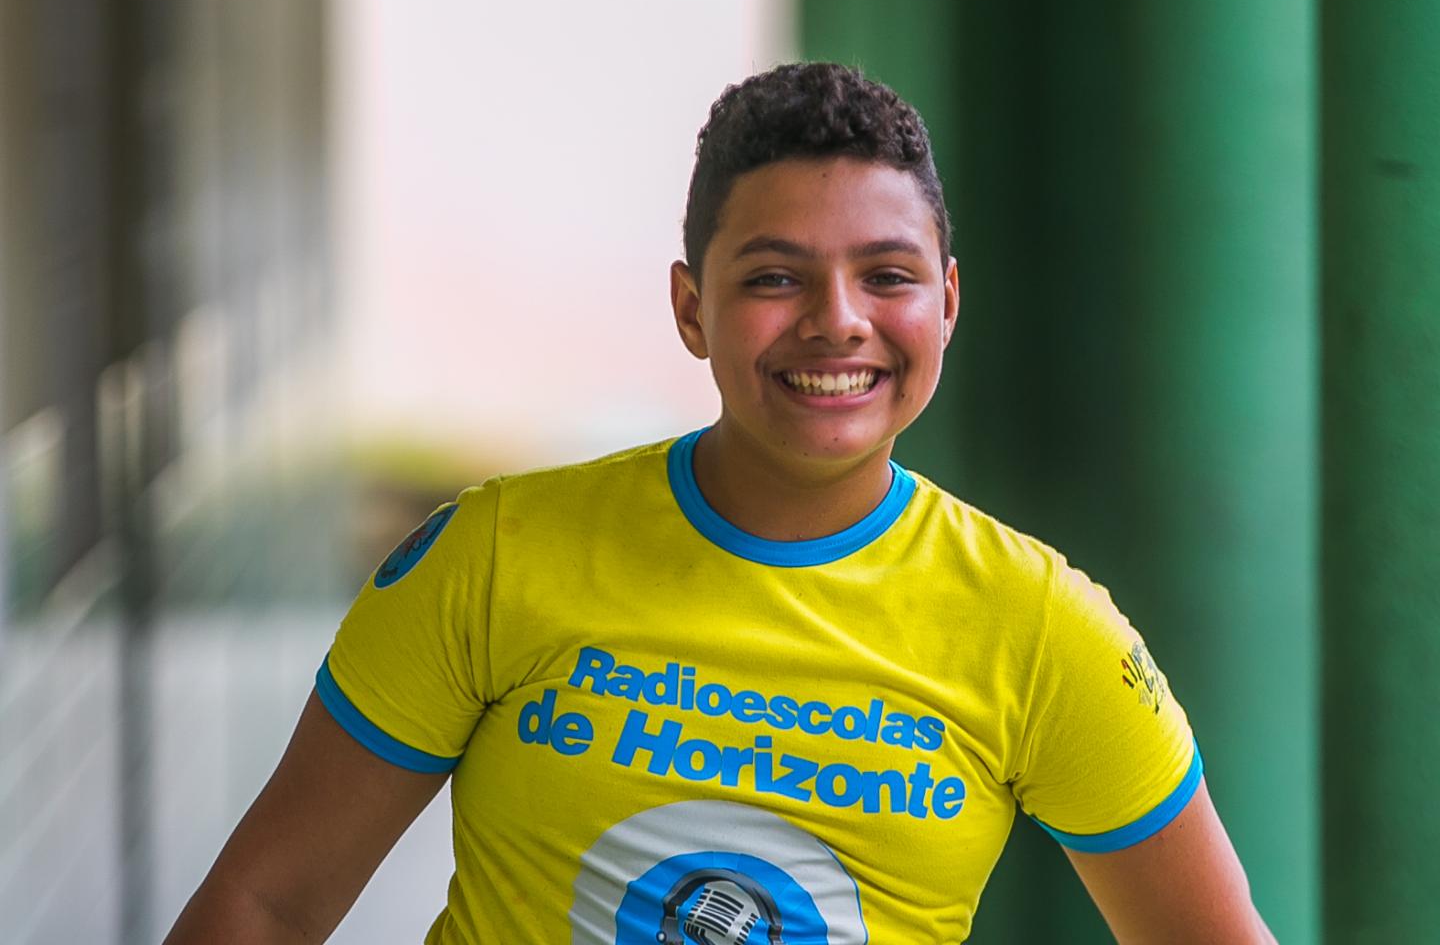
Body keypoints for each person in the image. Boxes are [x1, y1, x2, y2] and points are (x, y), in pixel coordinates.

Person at [165, 62, 1274, 944]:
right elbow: (267, 908)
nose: (838, 322)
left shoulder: (1043, 629)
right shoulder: (496, 551)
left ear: (946, 301)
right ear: (692, 308)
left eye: (886, 276)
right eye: (775, 277)